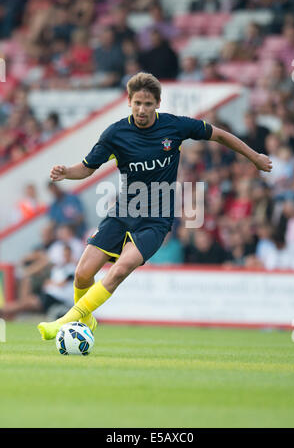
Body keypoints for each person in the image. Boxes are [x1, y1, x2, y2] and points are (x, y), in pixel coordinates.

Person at [37, 72, 272, 340]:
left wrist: (254, 157)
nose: (141, 109)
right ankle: (86, 321)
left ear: (158, 104)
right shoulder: (115, 133)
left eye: (148, 104)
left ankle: (63, 322)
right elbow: (87, 168)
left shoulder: (175, 127)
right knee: (82, 275)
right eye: (137, 103)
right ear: (129, 102)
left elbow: (218, 135)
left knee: (119, 270)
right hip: (122, 213)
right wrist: (66, 171)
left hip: (155, 221)